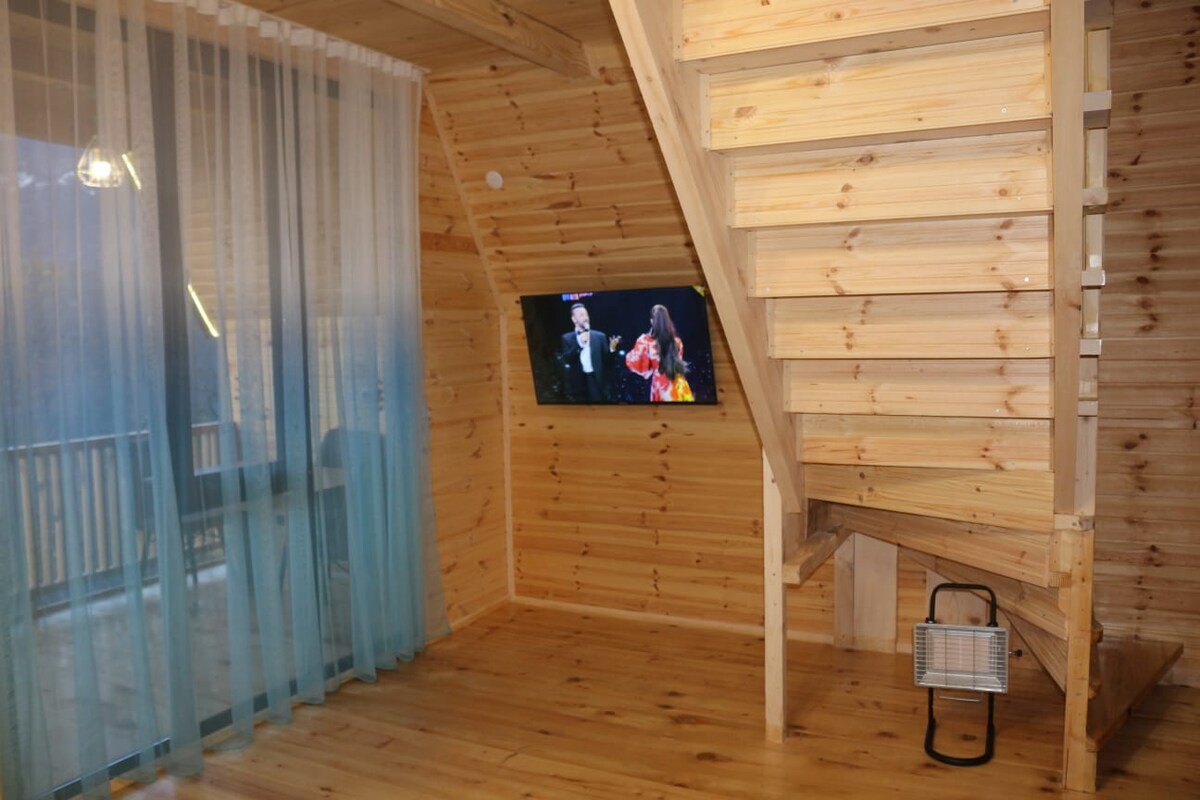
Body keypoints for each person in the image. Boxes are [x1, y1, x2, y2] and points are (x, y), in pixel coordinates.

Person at [624, 304, 694, 402]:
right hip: (680, 386)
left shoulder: (646, 342)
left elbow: (635, 363)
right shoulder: (677, 342)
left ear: (652, 321)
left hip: (662, 388)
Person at [558, 303, 621, 402]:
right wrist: (579, 344)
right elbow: (567, 359)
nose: (586, 318)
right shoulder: (566, 338)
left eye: (586, 315)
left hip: (596, 381)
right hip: (578, 385)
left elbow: (608, 362)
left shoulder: (600, 337)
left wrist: (612, 349)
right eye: (581, 315)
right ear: (574, 319)